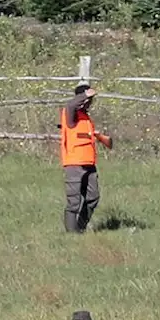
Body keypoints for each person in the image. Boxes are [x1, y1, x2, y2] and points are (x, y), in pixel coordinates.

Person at [59, 82, 112, 233]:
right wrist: (85, 95)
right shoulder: (71, 115)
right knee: (74, 202)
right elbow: (70, 105)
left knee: (93, 198)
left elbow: (109, 143)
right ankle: (71, 234)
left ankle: (80, 228)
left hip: (90, 165)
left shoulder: (86, 119)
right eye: (88, 99)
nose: (90, 102)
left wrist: (101, 137)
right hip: (74, 164)